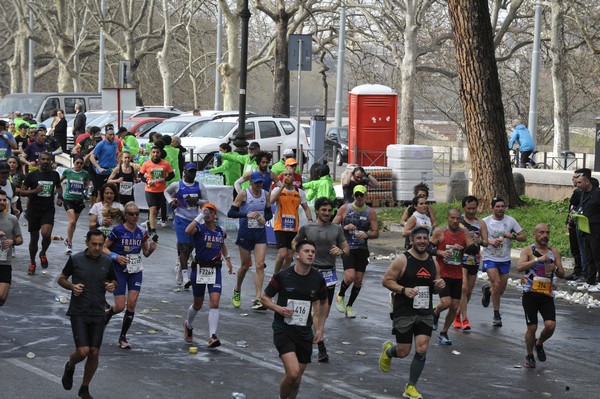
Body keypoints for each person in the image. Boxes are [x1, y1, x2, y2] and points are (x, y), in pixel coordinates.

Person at [379, 226, 445, 399]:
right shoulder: (402, 260)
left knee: (422, 348)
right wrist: (403, 290)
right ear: (412, 240)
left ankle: (411, 386)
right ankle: (388, 352)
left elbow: (435, 288)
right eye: (419, 238)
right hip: (404, 310)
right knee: (403, 352)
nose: (422, 241)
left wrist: (439, 287)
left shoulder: (433, 262)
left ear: (428, 240)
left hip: (425, 311)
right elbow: (386, 280)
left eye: (425, 238)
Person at [260, 239, 327, 399]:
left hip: (304, 333)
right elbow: (264, 297)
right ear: (297, 255)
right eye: (306, 251)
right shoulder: (283, 276)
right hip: (284, 330)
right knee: (292, 373)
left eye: (313, 252)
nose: (310, 254)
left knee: (297, 380)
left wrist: (320, 329)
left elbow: (324, 303)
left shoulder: (318, 279)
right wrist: (278, 308)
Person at [58, 229, 117, 399]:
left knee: (94, 352)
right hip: (79, 312)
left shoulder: (107, 262)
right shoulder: (75, 259)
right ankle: (70, 366)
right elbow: (61, 278)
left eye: (100, 244)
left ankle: (84, 387)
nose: (97, 248)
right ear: (87, 243)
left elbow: (114, 280)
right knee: (83, 351)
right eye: (94, 244)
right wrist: (72, 287)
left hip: (98, 312)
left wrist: (112, 285)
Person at [292, 197, 348, 363]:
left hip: (329, 275)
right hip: (312, 272)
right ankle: (321, 346)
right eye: (324, 210)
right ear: (317, 210)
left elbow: (346, 248)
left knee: (324, 313)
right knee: (317, 311)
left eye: (330, 210)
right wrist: (300, 254)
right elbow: (295, 241)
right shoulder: (308, 228)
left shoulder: (337, 229)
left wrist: (341, 251)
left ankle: (310, 336)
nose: (327, 213)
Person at [103, 202, 157, 349]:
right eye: (132, 214)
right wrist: (115, 256)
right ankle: (108, 314)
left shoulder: (141, 231)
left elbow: (145, 253)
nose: (135, 217)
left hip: (135, 271)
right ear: (125, 216)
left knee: (132, 303)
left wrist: (151, 249)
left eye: (137, 214)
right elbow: (104, 247)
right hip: (119, 271)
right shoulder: (118, 230)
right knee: (120, 306)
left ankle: (123, 336)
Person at [183, 203, 233, 347]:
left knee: (215, 302)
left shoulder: (220, 231)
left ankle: (212, 336)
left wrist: (228, 259)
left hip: (214, 269)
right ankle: (189, 324)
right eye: (206, 211)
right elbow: (188, 230)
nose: (208, 214)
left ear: (215, 214)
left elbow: (222, 244)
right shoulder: (199, 228)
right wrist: (200, 215)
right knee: (198, 304)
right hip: (199, 268)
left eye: (210, 212)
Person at [517, 223, 564, 368]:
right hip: (530, 293)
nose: (545, 235)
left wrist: (555, 268)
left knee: (550, 325)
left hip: (546, 294)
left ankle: (539, 343)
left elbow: (562, 274)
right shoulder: (528, 251)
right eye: (541, 232)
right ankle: (530, 355)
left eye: (547, 233)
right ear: (534, 235)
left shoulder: (553, 253)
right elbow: (519, 267)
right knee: (532, 327)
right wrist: (537, 260)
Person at [429, 208, 476, 345]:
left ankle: (444, 333)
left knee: (454, 306)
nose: (455, 221)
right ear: (447, 218)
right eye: (452, 218)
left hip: (457, 274)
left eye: (458, 219)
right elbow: (428, 248)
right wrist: (440, 252)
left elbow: (474, 250)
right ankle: (436, 312)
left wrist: (465, 248)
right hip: (442, 274)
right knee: (446, 303)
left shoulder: (464, 233)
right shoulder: (440, 232)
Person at [227, 171, 272, 310]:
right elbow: (231, 213)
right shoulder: (243, 194)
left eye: (260, 183)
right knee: (245, 266)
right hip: (245, 233)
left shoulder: (266, 194)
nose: (258, 185)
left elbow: (269, 213)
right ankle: (237, 289)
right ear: (250, 182)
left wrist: (266, 218)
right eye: (256, 182)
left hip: (260, 234)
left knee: (259, 265)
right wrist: (246, 214)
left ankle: (258, 298)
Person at [333, 185, 379, 318]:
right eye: (357, 195)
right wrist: (345, 227)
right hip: (347, 247)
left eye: (362, 195)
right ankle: (340, 295)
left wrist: (367, 234)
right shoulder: (345, 208)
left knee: (358, 280)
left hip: (362, 249)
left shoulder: (370, 212)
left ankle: (350, 306)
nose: (359, 197)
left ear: (366, 196)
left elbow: (376, 232)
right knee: (350, 277)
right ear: (353, 195)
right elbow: (333, 226)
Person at [480, 197, 525, 326]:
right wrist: (490, 241)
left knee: (500, 290)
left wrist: (513, 236)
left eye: (502, 206)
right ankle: (496, 315)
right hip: (490, 257)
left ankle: (488, 292)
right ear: (492, 208)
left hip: (504, 259)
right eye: (497, 206)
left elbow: (523, 236)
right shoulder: (485, 221)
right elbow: (478, 238)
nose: (500, 209)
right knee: (497, 283)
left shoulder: (511, 221)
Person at [164, 163, 208, 287]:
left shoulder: (200, 186)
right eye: (190, 171)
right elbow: (166, 192)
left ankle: (179, 265)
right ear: (184, 172)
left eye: (194, 172)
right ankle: (185, 277)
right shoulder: (177, 185)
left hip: (195, 220)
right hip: (181, 219)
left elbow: (207, 202)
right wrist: (171, 201)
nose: (192, 174)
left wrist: (197, 201)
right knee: (184, 247)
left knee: (190, 248)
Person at [20, 152, 63, 275]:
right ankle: (32, 262)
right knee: (34, 239)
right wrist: (34, 191)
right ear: (38, 161)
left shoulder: (54, 174)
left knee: (46, 233)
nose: (45, 161)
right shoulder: (32, 175)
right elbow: (22, 192)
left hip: (48, 209)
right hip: (34, 209)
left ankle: (43, 252)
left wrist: (59, 197)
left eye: (47, 160)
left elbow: (59, 186)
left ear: (50, 161)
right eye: (43, 159)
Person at [455, 195, 488, 330]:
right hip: (461, 257)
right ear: (464, 208)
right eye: (469, 208)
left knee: (468, 292)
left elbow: (486, 242)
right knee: (463, 288)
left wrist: (479, 240)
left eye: (474, 208)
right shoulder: (459, 221)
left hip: (474, 258)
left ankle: (457, 314)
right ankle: (465, 318)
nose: (472, 211)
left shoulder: (480, 223)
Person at [271, 169, 312, 274]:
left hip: (293, 227)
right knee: (282, 254)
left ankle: (283, 276)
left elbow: (306, 207)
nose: (288, 176)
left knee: (289, 256)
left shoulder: (299, 192)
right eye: (285, 175)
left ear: (294, 178)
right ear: (283, 178)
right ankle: (275, 275)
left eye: (290, 175)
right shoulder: (277, 190)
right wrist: (282, 187)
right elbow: (271, 201)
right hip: (280, 226)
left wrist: (310, 220)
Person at [139, 146, 174, 240]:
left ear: (160, 153)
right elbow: (140, 175)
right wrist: (147, 181)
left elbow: (172, 175)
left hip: (161, 191)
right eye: (153, 152)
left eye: (157, 152)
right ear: (150, 153)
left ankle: (149, 223)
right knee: (152, 209)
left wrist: (164, 179)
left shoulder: (165, 164)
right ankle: (154, 231)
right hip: (150, 190)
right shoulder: (146, 164)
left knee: (156, 212)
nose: (155, 154)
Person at [576, 172, 600, 292]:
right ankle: (590, 281)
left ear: (587, 182)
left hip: (596, 230)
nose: (577, 184)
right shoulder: (583, 194)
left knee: (597, 257)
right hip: (586, 229)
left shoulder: (597, 193)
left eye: (580, 182)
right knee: (589, 257)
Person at [61, 155, 90, 254]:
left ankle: (68, 239)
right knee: (72, 221)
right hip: (68, 199)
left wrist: (88, 188)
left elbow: (87, 185)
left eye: (81, 163)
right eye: (77, 163)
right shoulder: (68, 172)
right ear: (73, 163)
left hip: (79, 200)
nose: (79, 165)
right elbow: (59, 181)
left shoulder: (85, 173)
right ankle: (69, 243)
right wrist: (58, 194)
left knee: (73, 223)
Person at [565, 169, 589, 281]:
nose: (573, 179)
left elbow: (573, 202)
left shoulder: (580, 192)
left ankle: (582, 273)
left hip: (580, 225)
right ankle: (578, 271)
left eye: (576, 177)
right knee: (576, 249)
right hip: (573, 223)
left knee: (580, 250)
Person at [0, 189, 23, 306]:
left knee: (2, 297)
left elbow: (20, 239)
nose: (2, 202)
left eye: (4, 200)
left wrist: (13, 241)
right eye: (0, 200)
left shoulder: (12, 219)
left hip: (4, 262)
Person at [89, 125, 119, 203]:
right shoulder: (101, 144)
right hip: (103, 171)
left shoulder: (116, 144)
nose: (112, 136)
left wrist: (118, 165)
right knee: (101, 193)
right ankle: (96, 210)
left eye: (113, 134)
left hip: (112, 171)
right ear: (106, 136)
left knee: (113, 191)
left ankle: (110, 209)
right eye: (110, 134)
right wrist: (99, 168)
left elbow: (116, 156)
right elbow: (92, 157)